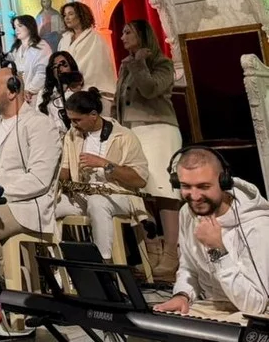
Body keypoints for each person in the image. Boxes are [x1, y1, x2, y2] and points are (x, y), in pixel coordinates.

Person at [154, 148, 269, 319]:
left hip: (254, 312)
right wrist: (182, 295)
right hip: (211, 305)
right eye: (186, 186)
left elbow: (255, 305)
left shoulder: (258, 225)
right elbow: (189, 268)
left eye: (203, 186)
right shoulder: (187, 212)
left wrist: (218, 249)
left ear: (223, 182)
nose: (194, 196)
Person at [0, 69, 62, 281]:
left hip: (24, 204)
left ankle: (19, 283)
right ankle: (15, 279)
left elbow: (39, 180)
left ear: (12, 91)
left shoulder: (39, 124)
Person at [114, 19, 182, 282]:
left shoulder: (160, 62)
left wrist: (139, 63)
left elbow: (151, 89)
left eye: (128, 31)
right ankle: (151, 251)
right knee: (138, 191)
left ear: (142, 34)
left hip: (159, 130)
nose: (122, 36)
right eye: (122, 31)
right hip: (134, 132)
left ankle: (172, 255)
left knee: (164, 191)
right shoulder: (127, 65)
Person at [55, 88, 149, 262]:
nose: (73, 125)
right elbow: (66, 173)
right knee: (46, 207)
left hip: (118, 195)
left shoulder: (124, 136)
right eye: (71, 120)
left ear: (93, 114)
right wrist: (50, 170)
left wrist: (103, 164)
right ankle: (60, 267)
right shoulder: (72, 135)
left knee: (98, 202)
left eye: (77, 120)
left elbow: (140, 179)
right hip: (83, 195)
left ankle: (103, 264)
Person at [57, 1, 115, 103]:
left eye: (71, 14)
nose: (67, 18)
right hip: (67, 88)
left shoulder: (95, 38)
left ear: (81, 15)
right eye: (65, 15)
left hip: (89, 88)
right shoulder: (64, 39)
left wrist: (77, 82)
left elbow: (96, 67)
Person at [39, 52, 85, 133]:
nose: (59, 68)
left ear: (71, 67)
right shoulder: (44, 94)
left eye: (64, 65)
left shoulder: (80, 90)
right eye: (55, 66)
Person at [10, 15, 50, 101]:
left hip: (36, 95)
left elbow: (42, 73)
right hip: (19, 95)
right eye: (15, 27)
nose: (16, 30)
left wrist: (29, 90)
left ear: (29, 27)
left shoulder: (42, 46)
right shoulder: (16, 49)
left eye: (20, 26)